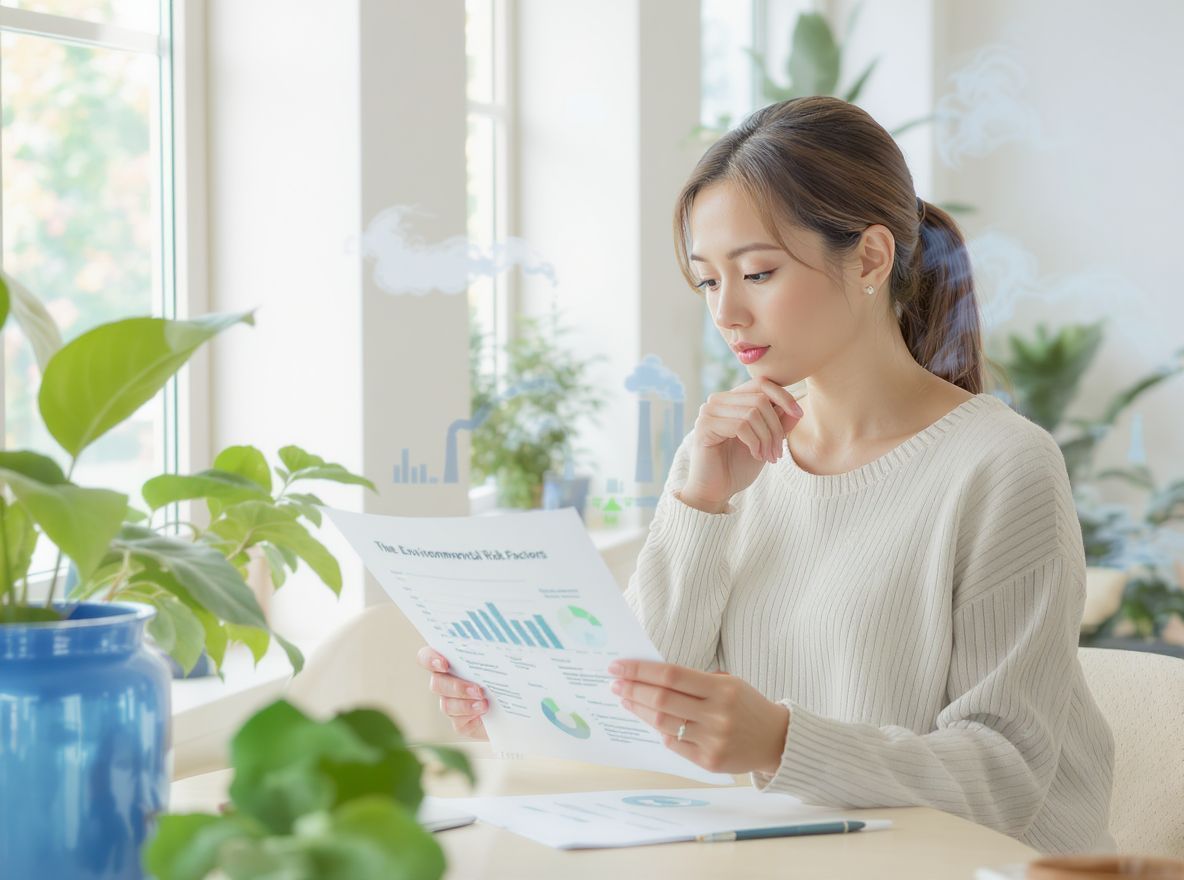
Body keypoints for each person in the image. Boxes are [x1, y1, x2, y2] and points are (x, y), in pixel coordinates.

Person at [416, 95, 1116, 855]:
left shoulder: (1001, 465)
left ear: (872, 258)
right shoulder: (723, 457)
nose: (727, 312)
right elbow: (638, 710)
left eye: (757, 272)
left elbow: (1005, 775)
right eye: (709, 281)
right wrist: (520, 698)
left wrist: (782, 742)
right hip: (783, 860)